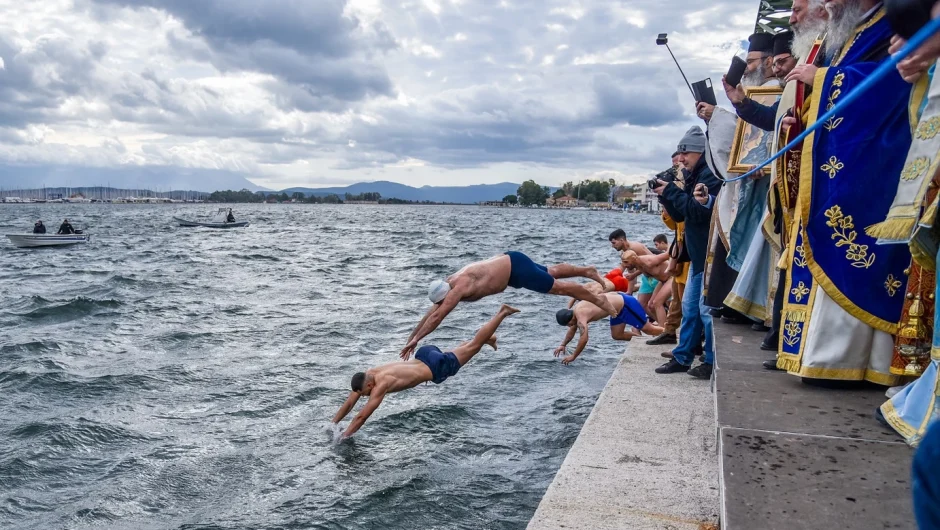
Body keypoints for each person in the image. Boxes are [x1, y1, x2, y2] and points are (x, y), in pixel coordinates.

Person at [776, 0, 920, 387]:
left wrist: (823, 79)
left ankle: (849, 359)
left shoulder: (890, 23)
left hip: (874, 162)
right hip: (845, 159)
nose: (827, 1)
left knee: (855, 249)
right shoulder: (854, 30)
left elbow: (893, 86)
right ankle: (820, 354)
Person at [332, 304, 519, 439]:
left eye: (366, 393)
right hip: (424, 354)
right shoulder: (370, 373)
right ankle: (487, 339)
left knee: (474, 346)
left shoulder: (381, 385)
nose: (365, 396)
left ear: (369, 384)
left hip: (435, 367)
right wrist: (333, 423)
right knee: (463, 350)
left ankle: (501, 314)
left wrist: (343, 437)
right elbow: (350, 403)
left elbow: (362, 416)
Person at [402, 252, 617, 359]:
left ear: (445, 295)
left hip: (516, 270)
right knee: (551, 272)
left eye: (442, 302)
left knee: (560, 288)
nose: (442, 305)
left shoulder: (457, 288)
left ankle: (598, 299)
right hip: (511, 263)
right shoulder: (448, 283)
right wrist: (413, 338)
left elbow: (438, 317)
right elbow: (432, 312)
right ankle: (587, 271)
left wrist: (418, 339)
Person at [653, 127, 722, 378]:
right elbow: (681, 215)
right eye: (680, 153)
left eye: (686, 153)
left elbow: (698, 211)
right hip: (697, 256)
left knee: (705, 311)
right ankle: (682, 357)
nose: (681, 159)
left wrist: (671, 191)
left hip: (710, 256)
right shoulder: (694, 175)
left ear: (701, 152)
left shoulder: (710, 175)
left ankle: (710, 360)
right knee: (690, 309)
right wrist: (665, 197)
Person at [554, 293, 664, 365]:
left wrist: (573, 356)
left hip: (625, 304)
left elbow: (584, 339)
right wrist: (563, 344)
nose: (569, 326)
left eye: (568, 325)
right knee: (617, 335)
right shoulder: (574, 314)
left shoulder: (580, 316)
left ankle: (668, 332)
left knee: (649, 329)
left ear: (570, 319)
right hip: (615, 310)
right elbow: (572, 329)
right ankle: (642, 339)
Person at [621, 250, 670, 326]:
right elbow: (643, 268)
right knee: (651, 305)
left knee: (657, 303)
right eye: (623, 262)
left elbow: (669, 254)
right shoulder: (638, 264)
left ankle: (664, 329)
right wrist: (633, 275)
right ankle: (664, 326)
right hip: (662, 281)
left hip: (672, 278)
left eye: (626, 262)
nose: (624, 265)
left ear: (634, 258)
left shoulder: (649, 261)